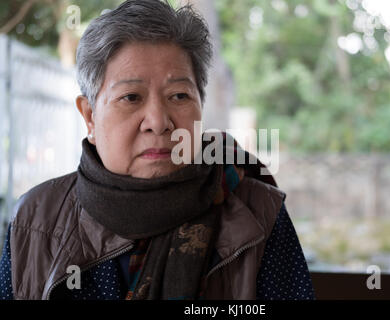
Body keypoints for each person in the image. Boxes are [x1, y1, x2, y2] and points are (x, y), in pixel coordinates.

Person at [0, 0, 314, 300]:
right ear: (90, 117)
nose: (158, 122)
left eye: (179, 96)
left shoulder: (259, 215)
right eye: (131, 97)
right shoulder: (34, 222)